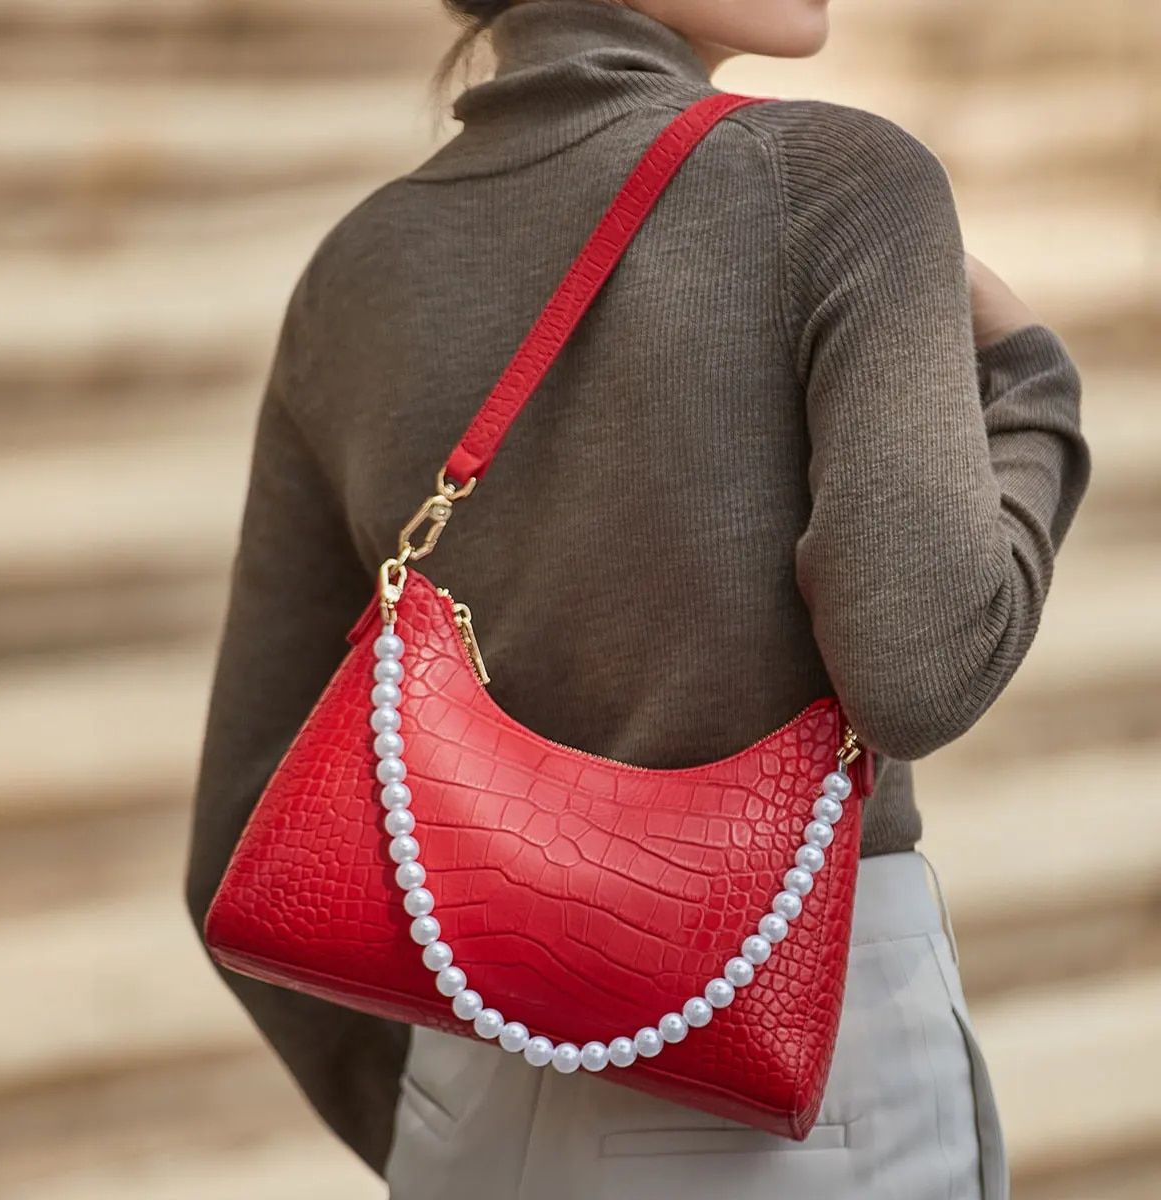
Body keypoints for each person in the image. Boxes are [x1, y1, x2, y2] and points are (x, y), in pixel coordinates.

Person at [183, 1, 1091, 1196]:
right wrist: (1031, 385)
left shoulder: (356, 269)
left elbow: (234, 846)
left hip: (465, 1085)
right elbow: (922, 672)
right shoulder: (839, 186)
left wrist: (442, 1112)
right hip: (803, 1090)